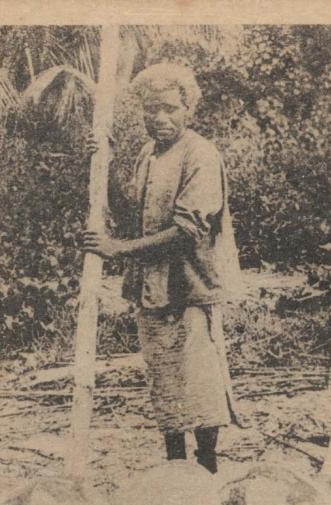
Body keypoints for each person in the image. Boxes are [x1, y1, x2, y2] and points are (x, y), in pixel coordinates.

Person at [81, 63, 242, 474]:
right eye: (152, 110)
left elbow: (186, 231)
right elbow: (130, 209)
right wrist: (108, 164)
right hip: (151, 288)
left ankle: (207, 466)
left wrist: (118, 251)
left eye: (170, 109)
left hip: (190, 285)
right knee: (164, 380)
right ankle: (175, 467)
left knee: (199, 381)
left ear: (188, 109)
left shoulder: (200, 154)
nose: (160, 119)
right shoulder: (147, 155)